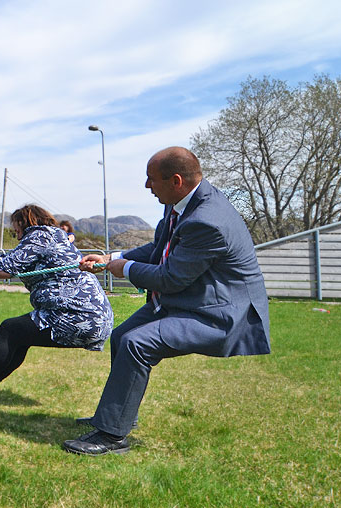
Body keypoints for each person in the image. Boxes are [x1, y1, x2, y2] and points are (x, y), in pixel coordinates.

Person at [63, 146, 271, 456]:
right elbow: (160, 248)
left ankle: (111, 437)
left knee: (137, 343)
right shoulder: (180, 203)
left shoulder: (208, 220)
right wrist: (111, 259)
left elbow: (170, 278)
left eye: (151, 180)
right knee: (122, 336)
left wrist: (125, 269)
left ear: (175, 180)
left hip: (220, 312)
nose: (147, 187)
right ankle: (117, 417)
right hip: (190, 300)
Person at [0, 204, 113, 404]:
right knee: (20, 335)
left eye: (16, 229)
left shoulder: (40, 236)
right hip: (91, 316)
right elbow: (2, 259)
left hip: (76, 315)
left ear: (25, 222)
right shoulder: (52, 237)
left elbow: (5, 268)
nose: (17, 235)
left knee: (10, 329)